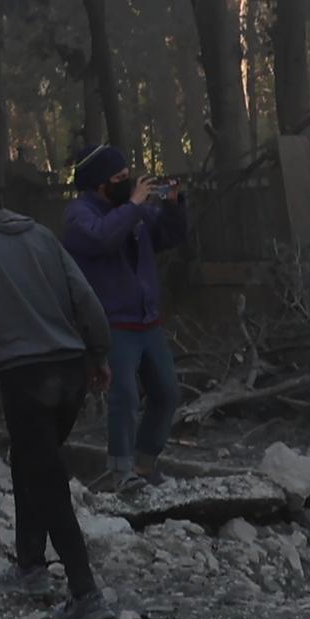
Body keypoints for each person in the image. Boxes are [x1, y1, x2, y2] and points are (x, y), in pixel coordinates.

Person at [0, 156, 113, 619]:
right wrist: (98, 353)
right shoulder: (39, 235)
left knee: (46, 479)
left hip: (26, 375)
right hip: (70, 369)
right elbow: (86, 298)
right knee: (32, 462)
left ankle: (85, 593)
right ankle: (30, 564)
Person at [58, 146, 189, 490]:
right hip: (111, 322)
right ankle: (120, 471)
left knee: (166, 392)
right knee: (125, 396)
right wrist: (133, 206)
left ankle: (146, 465)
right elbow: (101, 239)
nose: (127, 181)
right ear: (101, 184)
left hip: (147, 320)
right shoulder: (80, 215)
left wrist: (174, 204)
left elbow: (168, 236)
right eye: (119, 178)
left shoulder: (132, 210)